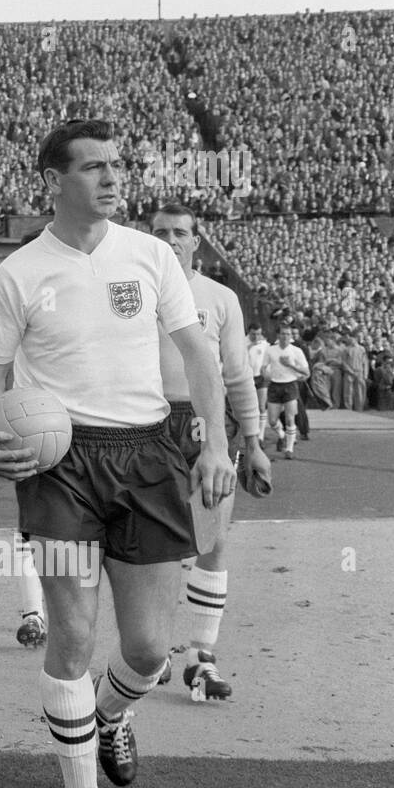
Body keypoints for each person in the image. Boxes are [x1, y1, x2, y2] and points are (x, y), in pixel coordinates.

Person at [0, 120, 235, 788]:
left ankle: (112, 715)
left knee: (148, 648)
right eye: (93, 168)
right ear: (54, 181)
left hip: (150, 456)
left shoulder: (149, 255)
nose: (113, 179)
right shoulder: (19, 271)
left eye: (117, 166)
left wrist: (214, 443)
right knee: (74, 633)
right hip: (60, 469)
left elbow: (197, 353)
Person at [150, 203, 271, 702]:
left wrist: (255, 443)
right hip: (146, 424)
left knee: (213, 539)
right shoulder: (135, 291)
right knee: (149, 544)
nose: (171, 239)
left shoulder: (220, 298)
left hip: (206, 426)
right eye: (160, 232)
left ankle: (201, 658)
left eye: (180, 232)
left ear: (196, 241)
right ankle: (152, 651)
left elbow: (237, 375)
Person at [263, 324, 310, 458]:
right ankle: (282, 435)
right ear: (278, 335)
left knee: (290, 418)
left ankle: (289, 449)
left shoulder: (296, 351)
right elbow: (264, 367)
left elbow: (306, 372)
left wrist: (290, 365)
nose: (285, 336)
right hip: (275, 385)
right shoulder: (271, 350)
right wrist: (265, 373)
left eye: (288, 334)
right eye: (283, 334)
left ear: (291, 336)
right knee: (272, 421)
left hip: (290, 385)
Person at [246, 326, 269, 427]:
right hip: (247, 378)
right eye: (253, 334)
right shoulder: (242, 341)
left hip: (261, 377)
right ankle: (250, 429)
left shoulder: (265, 344)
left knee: (261, 406)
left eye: (258, 334)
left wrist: (267, 371)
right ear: (249, 333)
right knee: (248, 406)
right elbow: (238, 357)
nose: (256, 337)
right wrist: (250, 346)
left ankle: (260, 436)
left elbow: (269, 359)